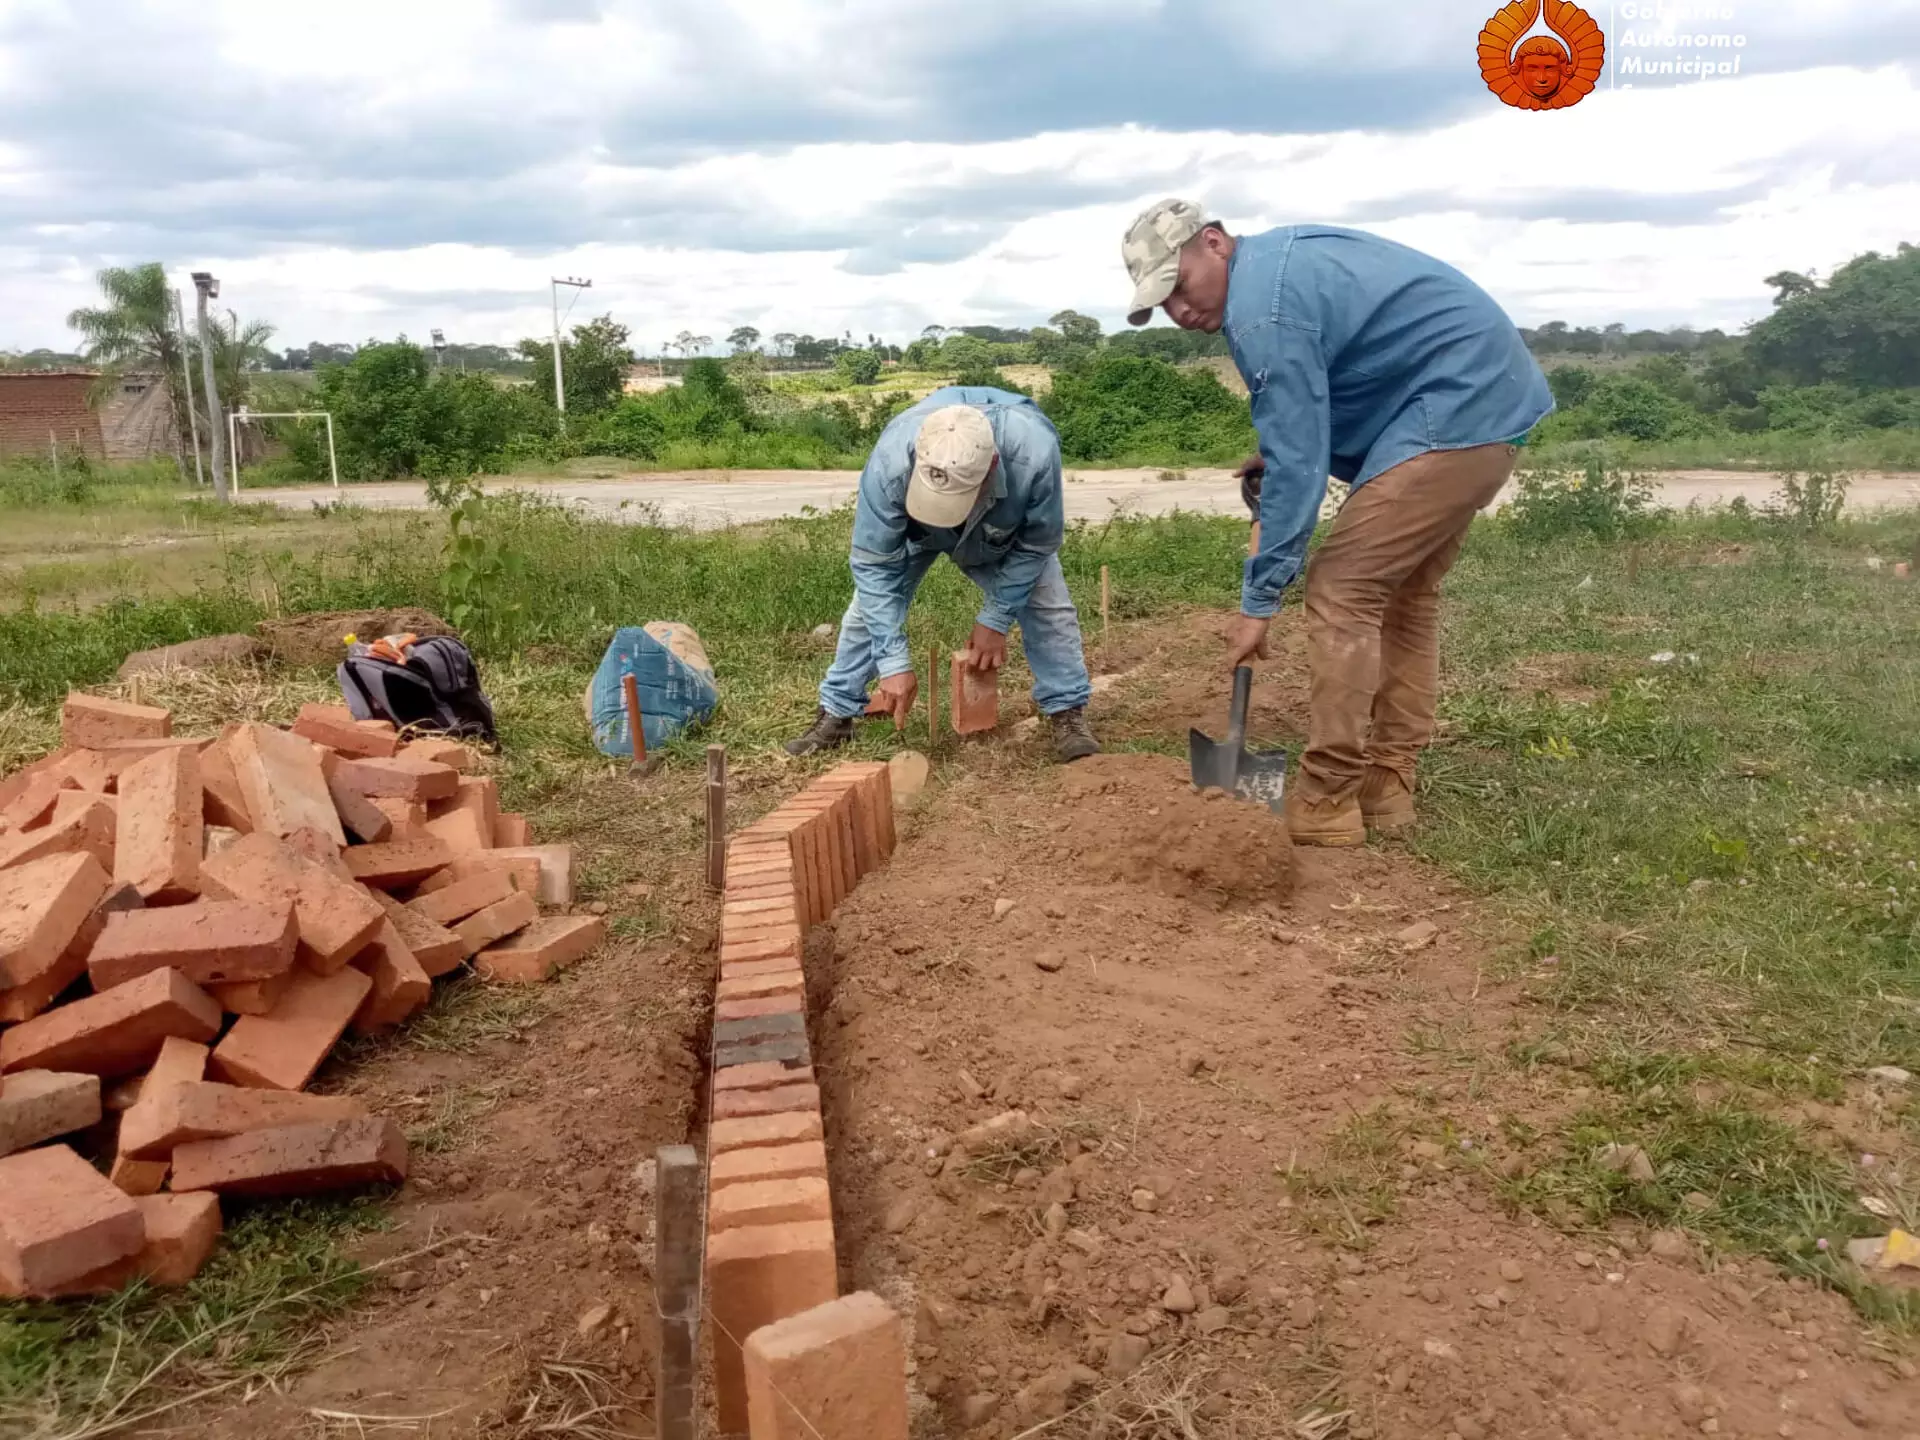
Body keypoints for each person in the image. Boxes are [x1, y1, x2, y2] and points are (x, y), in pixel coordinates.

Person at [1120, 200, 1552, 844]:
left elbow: (1300, 465)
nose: (1179, 311)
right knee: (1405, 596)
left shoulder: (1262, 308)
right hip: (1483, 405)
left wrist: (1258, 600)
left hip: (1454, 414)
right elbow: (1317, 407)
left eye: (1179, 287)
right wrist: (1283, 451)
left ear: (1213, 243)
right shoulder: (1275, 269)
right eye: (1163, 304)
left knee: (1341, 589)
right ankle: (1388, 788)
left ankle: (1327, 799)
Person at [785, 386, 1101, 763]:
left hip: (999, 529)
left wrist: (996, 619)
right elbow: (873, 566)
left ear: (992, 469)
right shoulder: (890, 461)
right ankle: (837, 713)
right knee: (865, 614)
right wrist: (893, 663)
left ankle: (1067, 711)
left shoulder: (1033, 454)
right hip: (915, 530)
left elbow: (1037, 544)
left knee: (1049, 606)